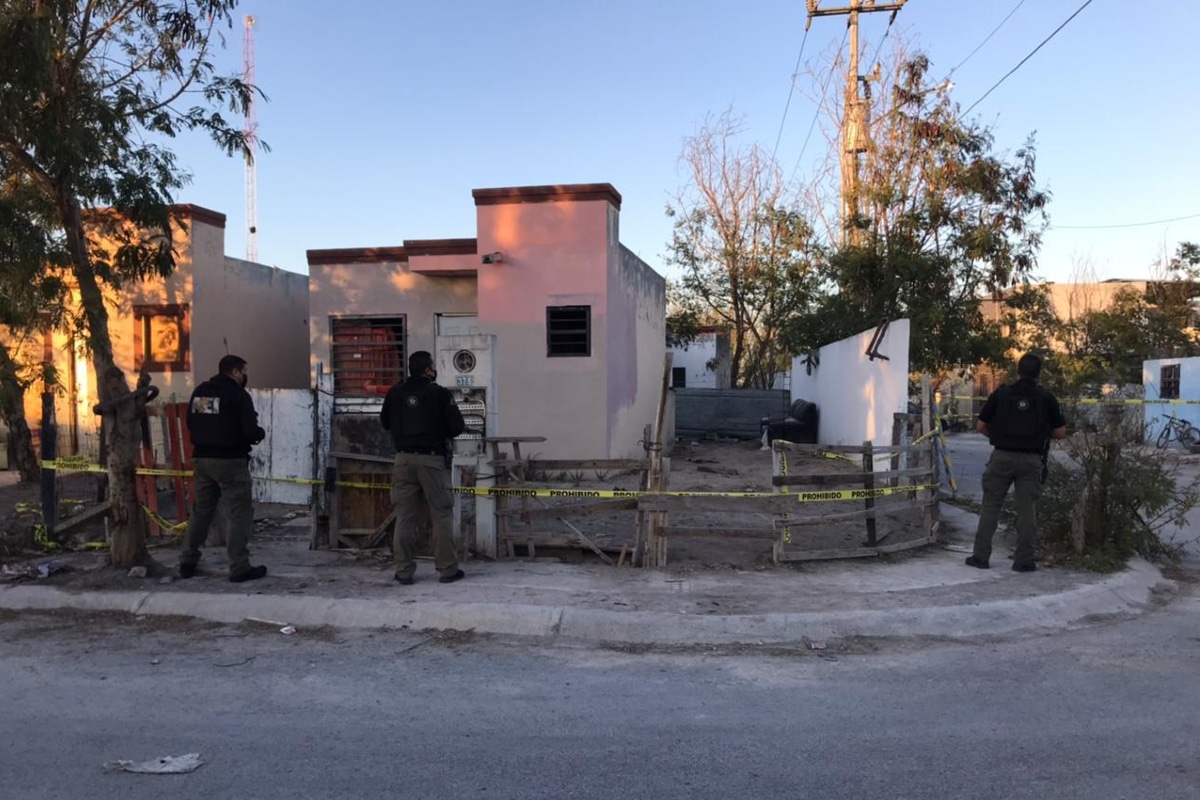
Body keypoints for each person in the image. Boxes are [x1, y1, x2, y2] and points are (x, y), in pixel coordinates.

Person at [966, 353, 1067, 573]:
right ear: (1038, 374)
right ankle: (1023, 561)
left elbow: (980, 425)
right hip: (1031, 459)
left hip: (1001, 456)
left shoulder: (1001, 394)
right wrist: (1038, 434)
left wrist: (998, 436)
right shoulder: (1045, 397)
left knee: (991, 506)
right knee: (1027, 511)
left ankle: (981, 557)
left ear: (1018, 370)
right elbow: (1060, 432)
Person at [179, 355, 268, 583]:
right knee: (239, 513)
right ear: (236, 372)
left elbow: (191, 423)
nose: (245, 375)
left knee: (201, 511)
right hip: (230, 461)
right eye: (244, 371)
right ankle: (239, 567)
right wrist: (260, 434)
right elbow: (250, 431)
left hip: (202, 459)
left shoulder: (201, 392)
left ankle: (187, 560)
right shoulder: (238, 395)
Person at [381, 350, 466, 585]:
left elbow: (384, 422)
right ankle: (447, 569)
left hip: (403, 460)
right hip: (432, 460)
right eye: (433, 366)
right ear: (428, 369)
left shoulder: (395, 392)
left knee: (405, 517)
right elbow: (457, 426)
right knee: (441, 514)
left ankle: (404, 572)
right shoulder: (439, 394)